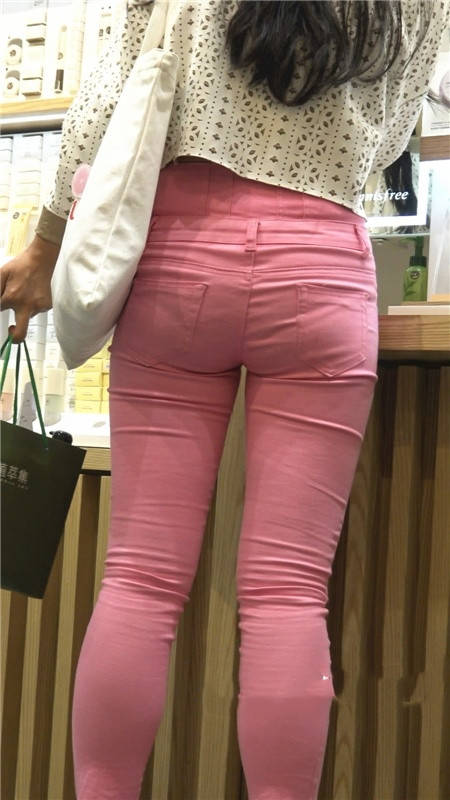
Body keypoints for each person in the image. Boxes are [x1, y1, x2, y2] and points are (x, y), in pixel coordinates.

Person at [1, 1, 449, 797]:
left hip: (178, 266)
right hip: (321, 269)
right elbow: (389, 137)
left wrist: (45, 245)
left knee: (139, 581)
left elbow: (107, 101)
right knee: (288, 595)